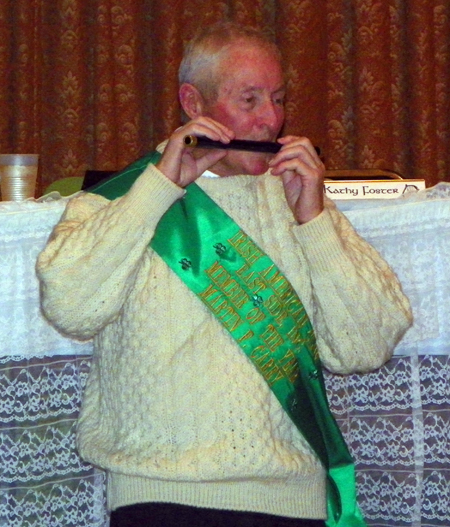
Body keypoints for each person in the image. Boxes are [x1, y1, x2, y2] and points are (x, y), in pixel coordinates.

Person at [36, 22, 412, 527]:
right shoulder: (120, 201)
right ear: (193, 104)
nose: (271, 121)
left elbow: (366, 346)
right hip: (160, 497)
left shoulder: (300, 203)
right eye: (250, 100)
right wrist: (159, 187)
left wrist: (314, 222)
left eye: (278, 100)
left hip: (292, 501)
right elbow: (71, 306)